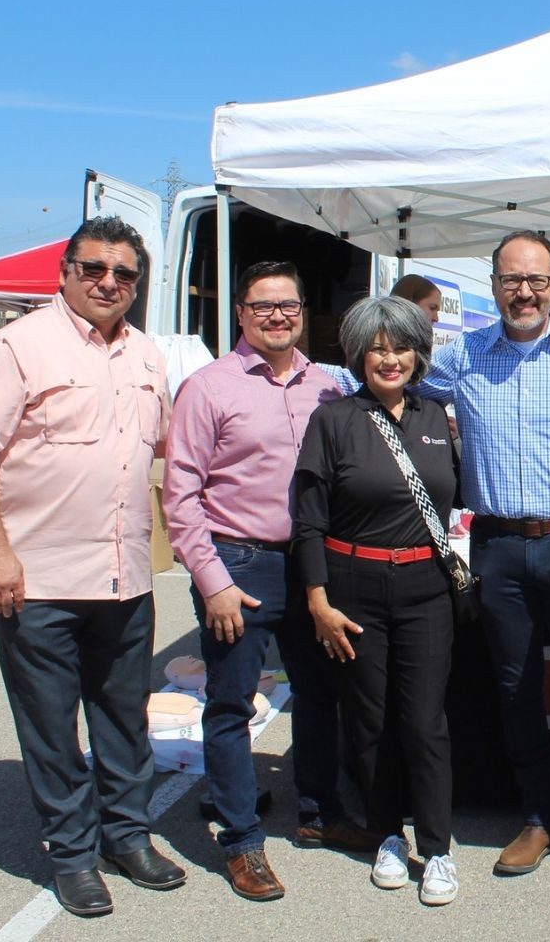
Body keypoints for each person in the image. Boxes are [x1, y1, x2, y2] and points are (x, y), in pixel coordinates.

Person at [0, 216, 185, 917]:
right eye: (94, 268)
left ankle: (128, 836)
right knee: (52, 726)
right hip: (36, 579)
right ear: (65, 273)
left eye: (124, 273)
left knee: (124, 718)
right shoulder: (15, 347)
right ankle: (73, 854)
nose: (108, 282)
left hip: (125, 575)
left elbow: (164, 450)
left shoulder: (147, 355)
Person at [415, 230, 550, 888]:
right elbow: (395, 387)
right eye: (511, 280)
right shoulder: (460, 357)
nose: (525, 292)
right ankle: (538, 819)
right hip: (500, 546)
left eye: (537, 279)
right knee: (516, 690)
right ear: (494, 286)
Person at [163, 261, 375, 903]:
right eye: (263, 306)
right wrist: (212, 581)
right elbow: (180, 496)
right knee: (232, 705)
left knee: (321, 694)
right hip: (240, 564)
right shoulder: (208, 388)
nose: (277, 316)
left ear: (303, 312)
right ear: (240, 313)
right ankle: (241, 839)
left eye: (289, 305)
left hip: (313, 565)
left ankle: (319, 812)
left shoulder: (329, 386)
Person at [293, 296, 460, 906]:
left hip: (426, 590)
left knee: (424, 721)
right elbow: (308, 521)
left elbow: (459, 495)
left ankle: (437, 849)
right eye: (377, 348)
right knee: (369, 720)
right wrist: (318, 600)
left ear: (419, 353)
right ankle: (388, 833)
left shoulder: (437, 415)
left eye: (402, 347)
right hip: (354, 590)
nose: (390, 359)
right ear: (358, 354)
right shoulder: (333, 420)